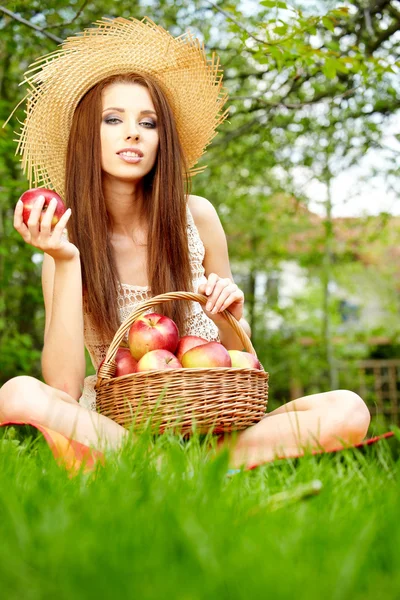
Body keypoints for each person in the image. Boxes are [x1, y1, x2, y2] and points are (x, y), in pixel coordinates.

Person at [0, 16, 370, 470]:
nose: (132, 132)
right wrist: (65, 258)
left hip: (211, 419)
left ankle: (186, 464)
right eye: (112, 119)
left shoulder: (197, 217)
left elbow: (241, 357)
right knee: (16, 393)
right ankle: (167, 461)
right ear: (85, 138)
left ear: (162, 140)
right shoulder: (65, 246)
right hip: (119, 427)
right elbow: (62, 386)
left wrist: (230, 316)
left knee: (349, 408)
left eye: (148, 122)